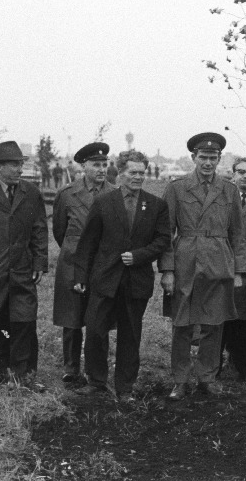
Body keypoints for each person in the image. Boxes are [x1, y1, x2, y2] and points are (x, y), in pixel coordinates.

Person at [73, 150, 171, 401]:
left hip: (135, 281)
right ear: (121, 173)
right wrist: (81, 276)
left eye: (142, 172)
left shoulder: (156, 205)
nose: (138, 177)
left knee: (130, 334)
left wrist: (139, 255)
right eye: (133, 172)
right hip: (104, 279)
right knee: (95, 330)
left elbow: (162, 240)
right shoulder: (105, 202)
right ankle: (96, 382)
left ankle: (125, 388)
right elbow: (88, 243)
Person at [160, 133, 246, 400]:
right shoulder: (177, 188)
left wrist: (239, 272)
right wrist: (168, 270)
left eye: (213, 158)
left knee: (214, 323)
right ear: (193, 158)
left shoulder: (229, 190)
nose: (207, 163)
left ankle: (207, 377)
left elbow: (237, 234)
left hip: (219, 260)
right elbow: (165, 232)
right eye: (203, 157)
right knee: (182, 323)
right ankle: (180, 379)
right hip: (186, 258)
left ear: (220, 159)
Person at [0, 141, 48, 387]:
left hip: (22, 270)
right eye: (14, 165)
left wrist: (39, 261)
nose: (19, 169)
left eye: (21, 164)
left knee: (23, 321)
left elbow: (39, 230)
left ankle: (22, 376)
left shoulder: (31, 192)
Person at [52, 142, 116, 385]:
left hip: (102, 262)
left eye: (104, 164)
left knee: (99, 319)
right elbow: (60, 230)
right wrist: (74, 252)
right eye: (95, 165)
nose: (101, 169)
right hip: (73, 261)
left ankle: (96, 370)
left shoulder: (114, 193)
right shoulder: (67, 194)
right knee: (72, 317)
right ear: (83, 166)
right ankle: (71, 368)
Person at [220, 157, 246, 380]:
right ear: (233, 173)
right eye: (241, 172)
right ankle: (216, 362)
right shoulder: (224, 196)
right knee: (223, 315)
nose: (245, 176)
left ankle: (243, 365)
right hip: (225, 264)